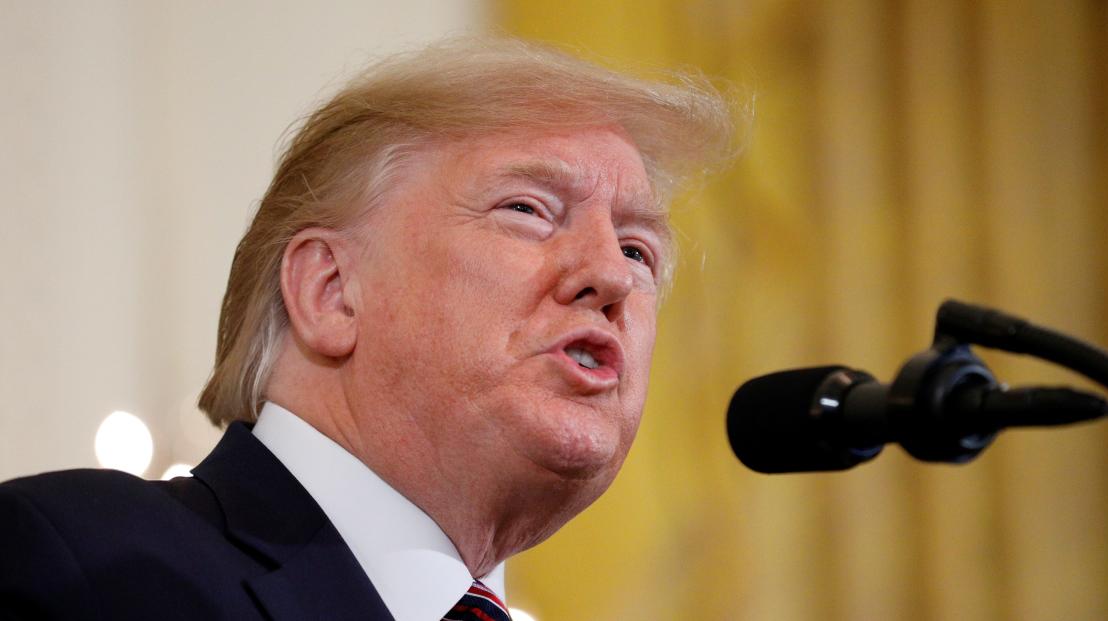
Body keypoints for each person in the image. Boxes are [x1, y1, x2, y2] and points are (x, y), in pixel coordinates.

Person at [0, 37, 735, 620]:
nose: (611, 275)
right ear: (331, 292)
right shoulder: (79, 567)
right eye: (528, 209)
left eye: (639, 250)